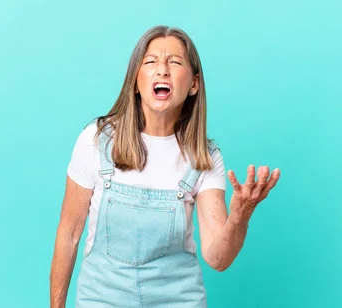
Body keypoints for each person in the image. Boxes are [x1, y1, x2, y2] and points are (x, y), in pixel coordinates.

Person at [50, 25, 281, 307]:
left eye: (174, 62)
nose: (162, 70)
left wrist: (240, 215)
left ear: (194, 83)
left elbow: (218, 258)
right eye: (150, 62)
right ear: (135, 82)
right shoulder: (96, 141)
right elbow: (69, 233)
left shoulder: (204, 158)